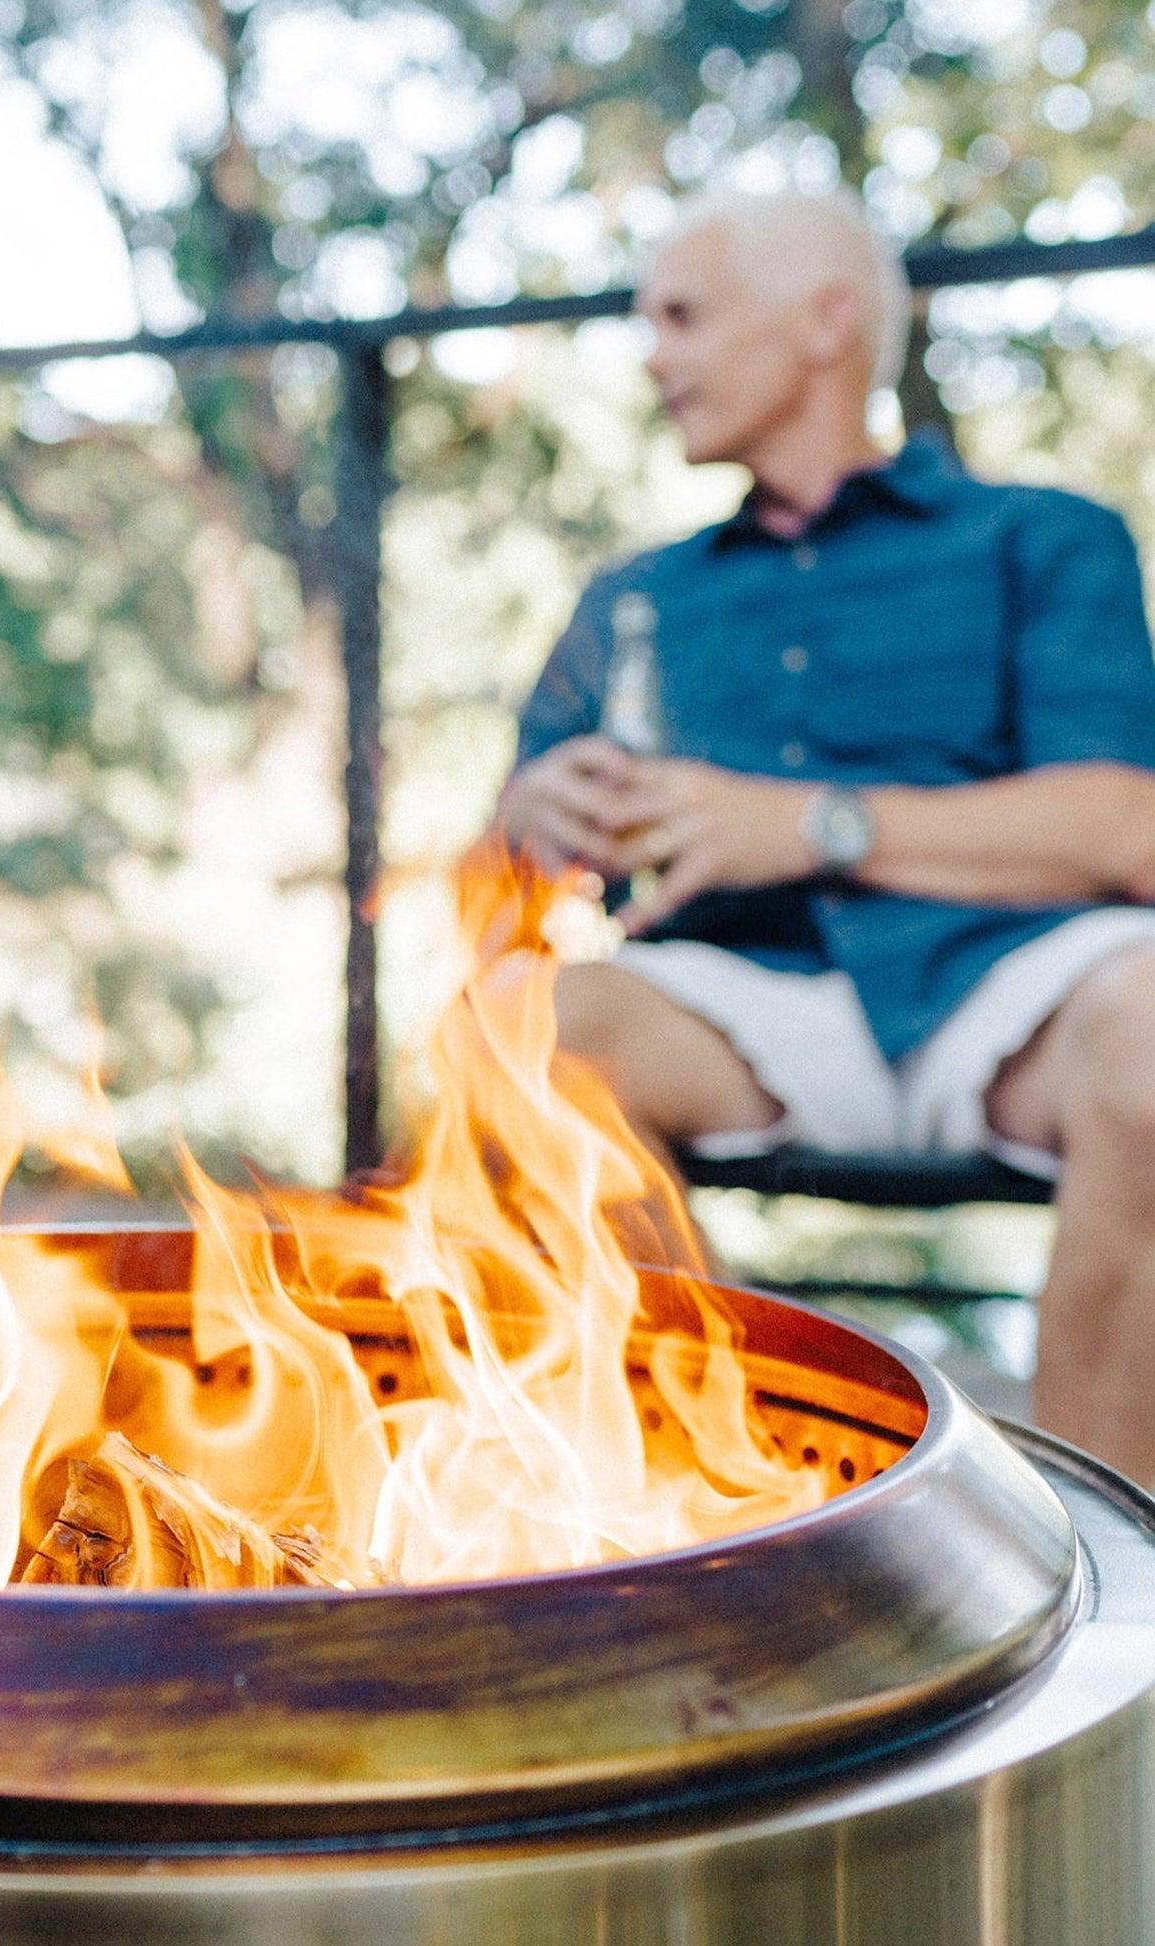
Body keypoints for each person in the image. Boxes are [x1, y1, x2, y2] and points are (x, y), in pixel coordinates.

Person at [496, 186, 1155, 1483]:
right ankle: (742, 1500)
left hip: (1010, 988)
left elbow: (1122, 830)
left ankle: (1098, 1569)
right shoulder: (635, 597)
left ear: (822, 323)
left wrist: (804, 824)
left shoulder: (1042, 539)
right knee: (509, 1035)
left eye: (681, 316)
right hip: (741, 1004)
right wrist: (528, 814)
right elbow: (506, 862)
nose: (653, 355)